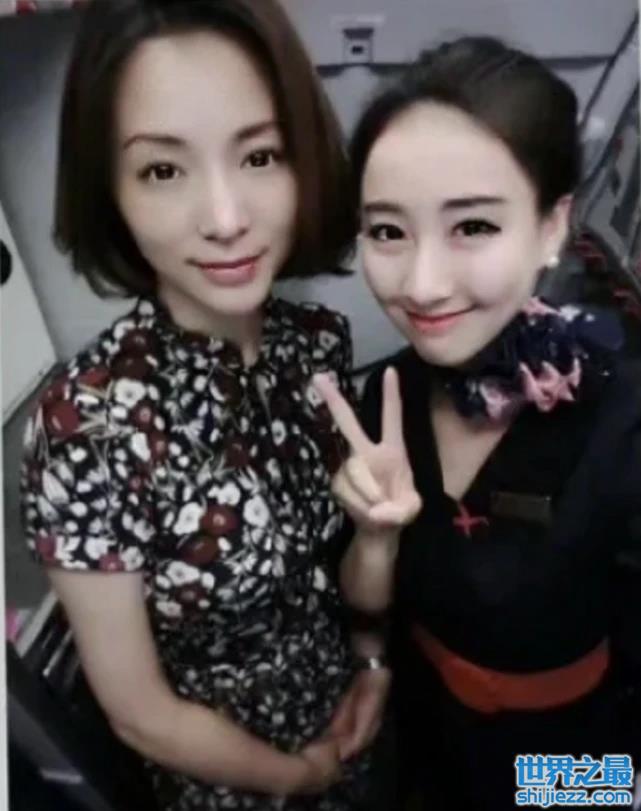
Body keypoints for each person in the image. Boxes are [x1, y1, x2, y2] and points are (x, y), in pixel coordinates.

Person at [20, 1, 390, 808]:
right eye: (162, 170)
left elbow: (330, 571)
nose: (225, 219)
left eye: (260, 156)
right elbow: (141, 714)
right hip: (235, 782)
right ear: (110, 190)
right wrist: (300, 776)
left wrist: (369, 662)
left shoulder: (314, 343)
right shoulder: (83, 427)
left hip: (354, 719)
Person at [314, 36, 641, 810]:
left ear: (551, 227)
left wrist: (541, 790)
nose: (422, 285)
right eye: (387, 231)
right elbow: (370, 608)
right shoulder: (391, 394)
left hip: (576, 762)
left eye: (472, 227)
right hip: (423, 734)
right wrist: (374, 538)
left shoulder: (622, 421)